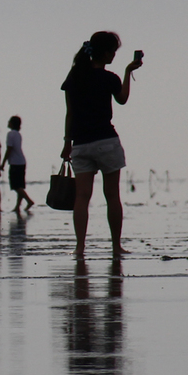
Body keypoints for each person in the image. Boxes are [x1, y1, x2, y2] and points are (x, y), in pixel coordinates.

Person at [61, 31, 142, 259]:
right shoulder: (110, 78)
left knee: (82, 197)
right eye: (113, 52)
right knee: (112, 196)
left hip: (81, 143)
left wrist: (67, 142)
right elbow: (123, 98)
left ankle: (79, 247)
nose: (114, 56)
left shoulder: (75, 77)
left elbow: (70, 114)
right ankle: (116, 247)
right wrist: (128, 72)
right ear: (105, 53)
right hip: (106, 140)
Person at [2, 115, 34, 214]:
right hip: (21, 161)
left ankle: (29, 201)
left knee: (16, 186)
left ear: (12, 123)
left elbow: (9, 149)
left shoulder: (10, 134)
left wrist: (3, 163)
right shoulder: (18, 134)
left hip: (15, 162)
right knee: (20, 185)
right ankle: (17, 207)